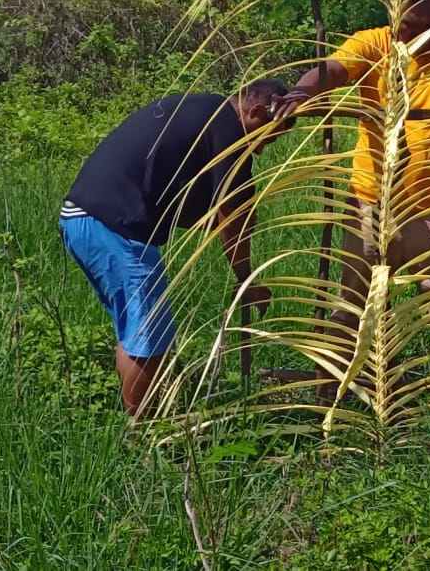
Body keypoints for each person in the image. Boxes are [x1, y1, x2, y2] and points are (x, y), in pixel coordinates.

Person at [275, 0, 430, 359]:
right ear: (395, 14)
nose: (418, 33)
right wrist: (302, 91)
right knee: (353, 300)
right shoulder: (373, 43)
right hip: (369, 199)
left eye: (429, 19)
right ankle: (339, 382)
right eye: (409, 22)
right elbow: (334, 70)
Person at [58, 80, 290, 415]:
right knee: (148, 336)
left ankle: (140, 419)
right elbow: (233, 219)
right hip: (111, 225)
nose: (264, 147)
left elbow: (201, 204)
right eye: (271, 134)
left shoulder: (206, 111)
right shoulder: (228, 133)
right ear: (254, 112)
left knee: (138, 329)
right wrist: (246, 279)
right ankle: (143, 436)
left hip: (86, 218)